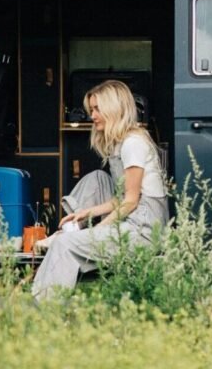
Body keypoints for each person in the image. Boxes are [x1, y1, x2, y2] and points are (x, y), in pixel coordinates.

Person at [31, 79, 169, 301]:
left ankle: (47, 313)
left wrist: (96, 232)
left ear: (114, 110)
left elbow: (130, 201)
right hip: (132, 215)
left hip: (143, 231)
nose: (92, 115)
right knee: (97, 178)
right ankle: (71, 229)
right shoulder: (119, 142)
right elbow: (123, 198)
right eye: (91, 109)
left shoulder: (133, 143)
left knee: (65, 246)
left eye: (97, 109)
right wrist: (88, 213)